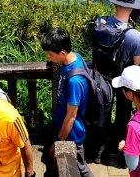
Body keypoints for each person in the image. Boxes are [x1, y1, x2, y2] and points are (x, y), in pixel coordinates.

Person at [91, 0, 140, 166]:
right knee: (122, 116)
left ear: (114, 4)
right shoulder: (134, 36)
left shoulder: (100, 23)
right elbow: (137, 64)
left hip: (101, 78)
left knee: (102, 113)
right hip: (123, 82)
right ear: (133, 8)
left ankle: (98, 152)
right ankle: (113, 154)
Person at [41, 28, 94, 177]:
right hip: (61, 125)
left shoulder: (75, 81)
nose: (49, 57)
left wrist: (59, 141)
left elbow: (71, 116)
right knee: (51, 161)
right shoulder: (74, 57)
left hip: (71, 133)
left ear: (62, 53)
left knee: (76, 169)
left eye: (51, 54)